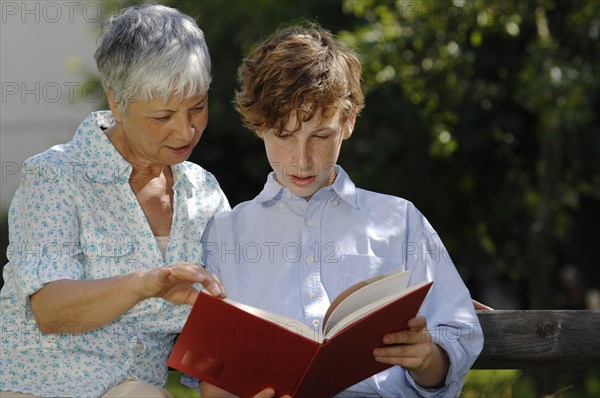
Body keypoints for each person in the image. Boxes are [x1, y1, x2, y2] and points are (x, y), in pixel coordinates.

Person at [199, 25, 484, 398]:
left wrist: (427, 357)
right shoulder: (225, 234)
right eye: (283, 137)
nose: (301, 161)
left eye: (320, 136)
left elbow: (453, 342)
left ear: (348, 123)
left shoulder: (401, 222)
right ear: (258, 127)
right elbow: (211, 378)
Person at [0, 4, 228, 397]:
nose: (186, 129)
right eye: (162, 116)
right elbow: (50, 310)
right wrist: (144, 284)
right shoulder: (55, 175)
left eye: (197, 107)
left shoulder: (204, 191)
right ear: (117, 102)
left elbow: (221, 322)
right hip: (42, 386)